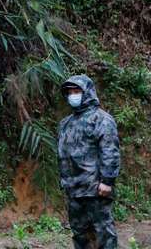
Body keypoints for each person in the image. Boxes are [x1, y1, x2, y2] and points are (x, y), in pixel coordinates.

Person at [57, 75, 120, 249]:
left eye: (77, 91)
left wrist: (107, 181)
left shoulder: (102, 119)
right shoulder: (66, 123)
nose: (73, 95)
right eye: (70, 92)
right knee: (80, 233)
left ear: (88, 92)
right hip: (73, 188)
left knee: (103, 232)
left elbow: (110, 150)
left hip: (95, 189)